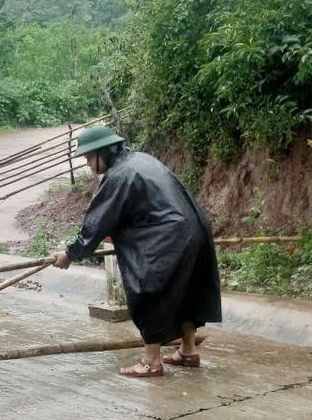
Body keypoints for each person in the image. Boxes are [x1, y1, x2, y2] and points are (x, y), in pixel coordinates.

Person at [52, 126, 221, 378]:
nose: (88, 164)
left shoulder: (119, 174)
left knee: (147, 292)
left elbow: (96, 224)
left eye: (88, 157)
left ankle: (151, 362)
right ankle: (187, 352)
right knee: (186, 292)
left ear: (103, 152)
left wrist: (70, 253)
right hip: (195, 230)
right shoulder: (141, 159)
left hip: (167, 237)